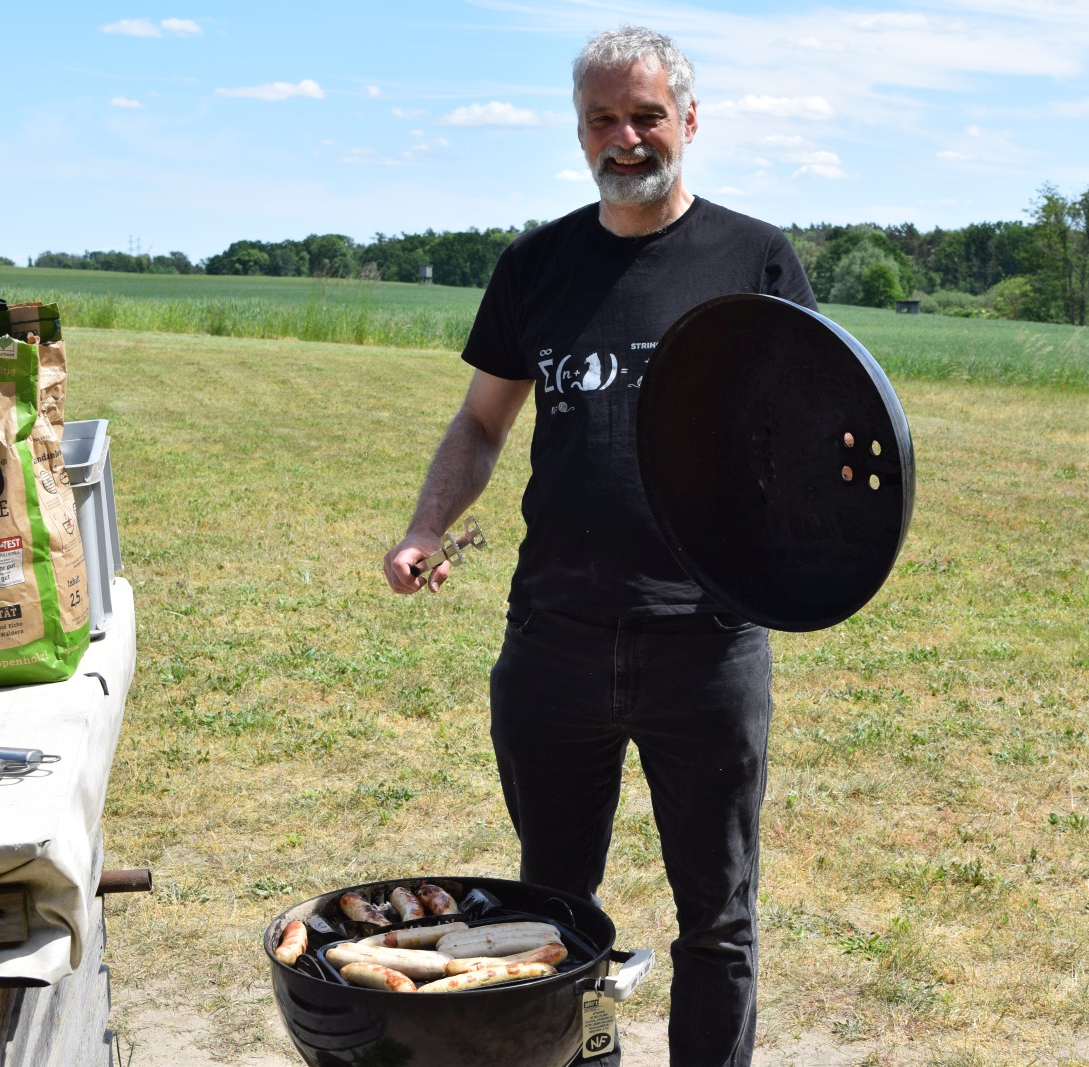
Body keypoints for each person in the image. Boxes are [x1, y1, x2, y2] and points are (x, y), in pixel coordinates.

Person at [383, 25, 815, 1067]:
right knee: (550, 913)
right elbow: (482, 420)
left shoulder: (752, 257)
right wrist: (426, 524)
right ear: (578, 129)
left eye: (646, 116)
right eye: (602, 119)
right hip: (556, 639)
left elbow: (808, 424)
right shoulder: (537, 264)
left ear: (689, 120)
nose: (625, 139)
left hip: (704, 642)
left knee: (717, 917)